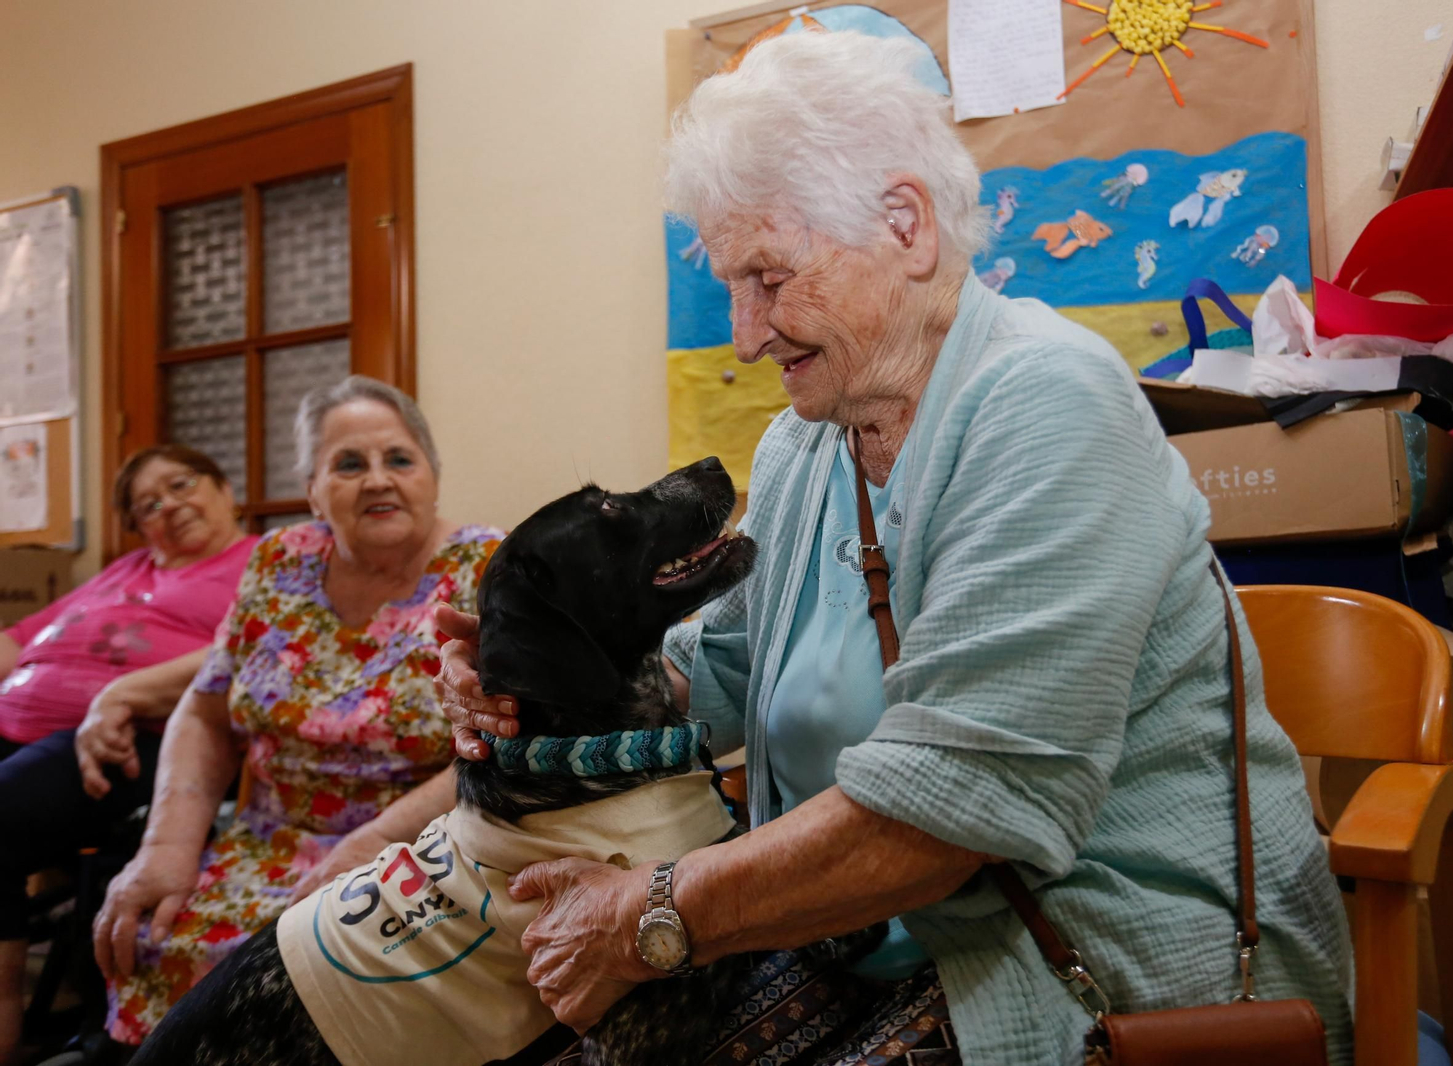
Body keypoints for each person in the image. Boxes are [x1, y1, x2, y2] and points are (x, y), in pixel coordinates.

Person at [437, 31, 1354, 1066]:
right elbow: (723, 673)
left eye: (768, 279)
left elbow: (952, 807)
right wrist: (527, 674)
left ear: (906, 226)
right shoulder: (800, 445)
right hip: (865, 943)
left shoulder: (1048, 403)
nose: (744, 335)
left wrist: (646, 915)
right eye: (729, 286)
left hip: (1098, 964)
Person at [91, 376, 502, 1047]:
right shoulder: (279, 561)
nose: (377, 481)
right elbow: (204, 712)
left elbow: (506, 741)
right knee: (154, 926)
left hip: (422, 851)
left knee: (326, 977)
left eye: (399, 460)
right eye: (347, 464)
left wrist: (370, 844)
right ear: (312, 489)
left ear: (432, 477)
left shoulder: (488, 566)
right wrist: (165, 849)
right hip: (266, 845)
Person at [0, 445, 255, 1063]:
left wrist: (120, 694)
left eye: (182, 483)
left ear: (226, 490)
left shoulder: (263, 563)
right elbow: (17, 638)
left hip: (132, 734)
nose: (169, 505)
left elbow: (253, 643)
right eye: (149, 504)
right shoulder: (124, 572)